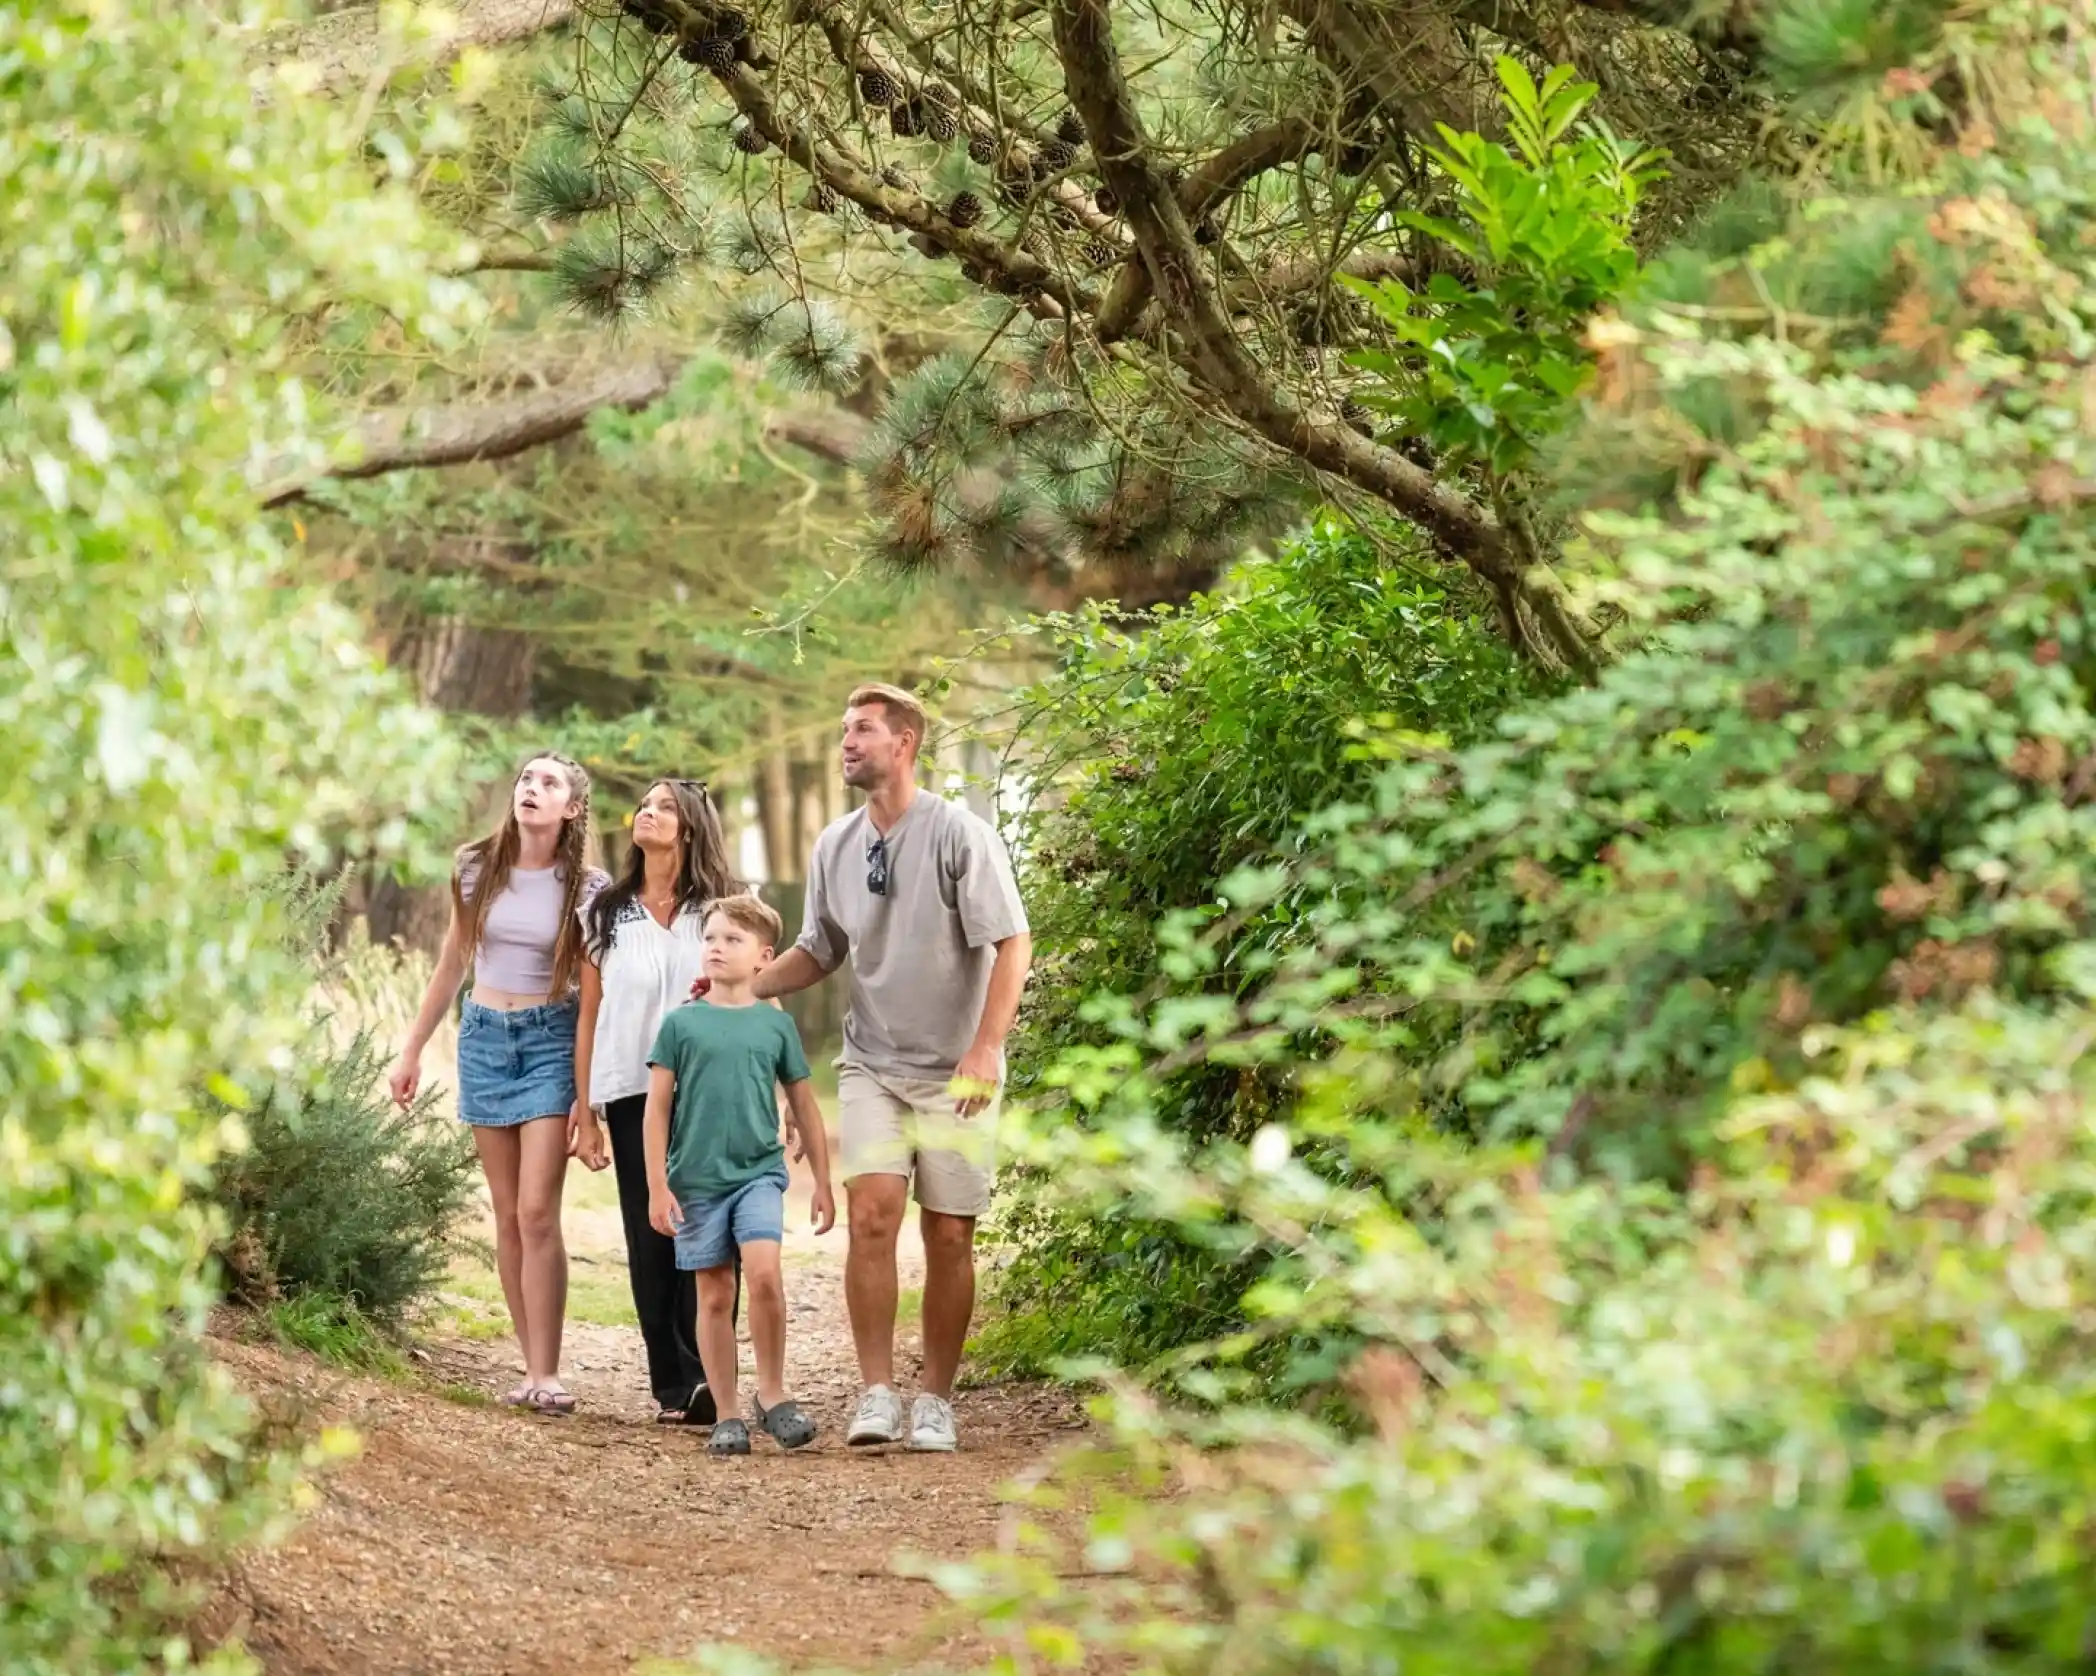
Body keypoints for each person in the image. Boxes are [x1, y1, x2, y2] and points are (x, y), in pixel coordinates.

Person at [753, 682, 1031, 1453]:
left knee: (948, 1234)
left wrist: (987, 1046)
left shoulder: (958, 834)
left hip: (958, 1071)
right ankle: (876, 1393)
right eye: (844, 729)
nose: (847, 742)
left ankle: (935, 1399)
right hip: (871, 1061)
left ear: (904, 742)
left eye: (864, 730)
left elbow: (1014, 942)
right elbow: (819, 950)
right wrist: (745, 983)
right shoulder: (833, 845)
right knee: (873, 1215)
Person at [390, 753, 609, 1415]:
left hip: (550, 1039)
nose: (531, 789)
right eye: (525, 779)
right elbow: (454, 958)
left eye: (548, 783)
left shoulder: (589, 886)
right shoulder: (473, 865)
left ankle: (549, 1372)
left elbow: (594, 998)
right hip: (485, 1036)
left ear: (572, 807)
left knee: (539, 1212)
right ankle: (529, 1367)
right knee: (508, 1214)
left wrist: (586, 1091)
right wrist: (411, 1048)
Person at [575, 777, 745, 1426]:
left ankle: (708, 1372)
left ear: (692, 826)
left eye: (665, 806)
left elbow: (749, 994)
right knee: (652, 1232)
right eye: (644, 805)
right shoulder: (604, 912)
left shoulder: (722, 910)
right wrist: (583, 1107)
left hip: (708, 1087)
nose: (648, 813)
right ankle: (674, 1383)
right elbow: (589, 1012)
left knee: (708, 1227)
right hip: (629, 1086)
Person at [646, 895, 836, 1456]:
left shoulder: (774, 1027)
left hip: (758, 1173)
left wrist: (824, 1181)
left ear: (764, 957)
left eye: (732, 939)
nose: (717, 947)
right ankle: (727, 1411)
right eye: (710, 938)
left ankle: (773, 1395)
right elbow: (657, 1110)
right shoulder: (680, 1024)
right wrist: (658, 1185)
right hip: (697, 1180)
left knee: (765, 1276)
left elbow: (805, 1104)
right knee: (714, 1295)